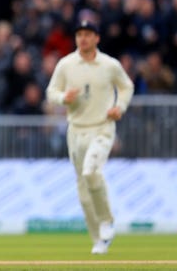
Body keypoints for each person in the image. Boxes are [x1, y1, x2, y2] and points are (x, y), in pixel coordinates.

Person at [45, 20, 134, 255]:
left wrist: (120, 107)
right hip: (76, 130)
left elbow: (126, 87)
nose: (83, 38)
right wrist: (64, 97)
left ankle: (107, 220)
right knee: (83, 190)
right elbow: (51, 92)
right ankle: (98, 239)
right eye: (79, 34)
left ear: (97, 38)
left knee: (91, 170)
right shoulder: (66, 65)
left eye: (88, 34)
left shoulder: (109, 65)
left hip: (102, 128)